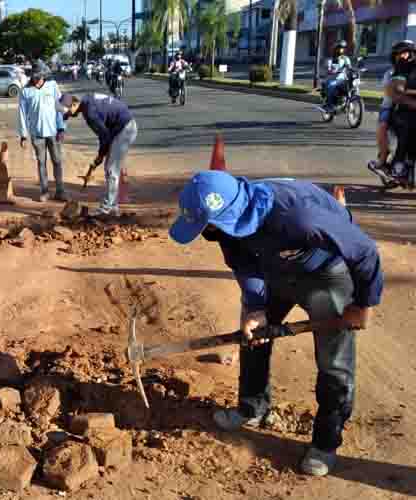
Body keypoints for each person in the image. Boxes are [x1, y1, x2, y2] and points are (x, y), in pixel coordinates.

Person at [169, 170, 383, 477]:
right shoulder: (224, 226)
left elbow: (365, 253)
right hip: (275, 271)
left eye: (210, 225)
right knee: (253, 334)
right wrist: (256, 306)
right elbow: (242, 261)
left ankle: (325, 442)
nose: (209, 232)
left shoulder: (300, 217)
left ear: (230, 213)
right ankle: (252, 407)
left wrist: (362, 305)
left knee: (334, 361)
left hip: (325, 274)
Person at [58, 92, 138, 217]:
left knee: (111, 169)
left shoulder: (90, 113)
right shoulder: (87, 101)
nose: (68, 114)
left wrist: (100, 156)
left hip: (125, 129)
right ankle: (112, 207)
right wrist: (101, 155)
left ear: (74, 104)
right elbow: (105, 133)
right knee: (110, 168)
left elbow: (104, 136)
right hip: (119, 129)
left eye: (68, 111)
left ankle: (107, 208)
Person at [18, 63, 68, 202]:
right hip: (36, 133)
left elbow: (59, 107)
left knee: (57, 161)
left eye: (38, 76)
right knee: (41, 162)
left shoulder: (52, 86)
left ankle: (60, 190)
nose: (36, 79)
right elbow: (22, 113)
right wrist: (23, 135)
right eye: (34, 76)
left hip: (53, 131)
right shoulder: (26, 91)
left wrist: (61, 128)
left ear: (43, 75)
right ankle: (44, 191)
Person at [369, 40, 414, 170]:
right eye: (400, 53)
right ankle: (383, 157)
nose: (403, 56)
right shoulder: (389, 73)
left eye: (407, 53)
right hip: (390, 107)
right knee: (383, 126)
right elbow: (392, 94)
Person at [323, 41, 352, 112]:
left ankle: (347, 102)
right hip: (333, 79)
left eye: (342, 48)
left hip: (343, 79)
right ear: (335, 49)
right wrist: (330, 70)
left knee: (352, 85)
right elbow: (328, 69)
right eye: (339, 48)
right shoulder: (330, 59)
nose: (341, 50)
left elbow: (349, 67)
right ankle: (329, 105)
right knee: (331, 86)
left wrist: (354, 69)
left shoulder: (345, 58)